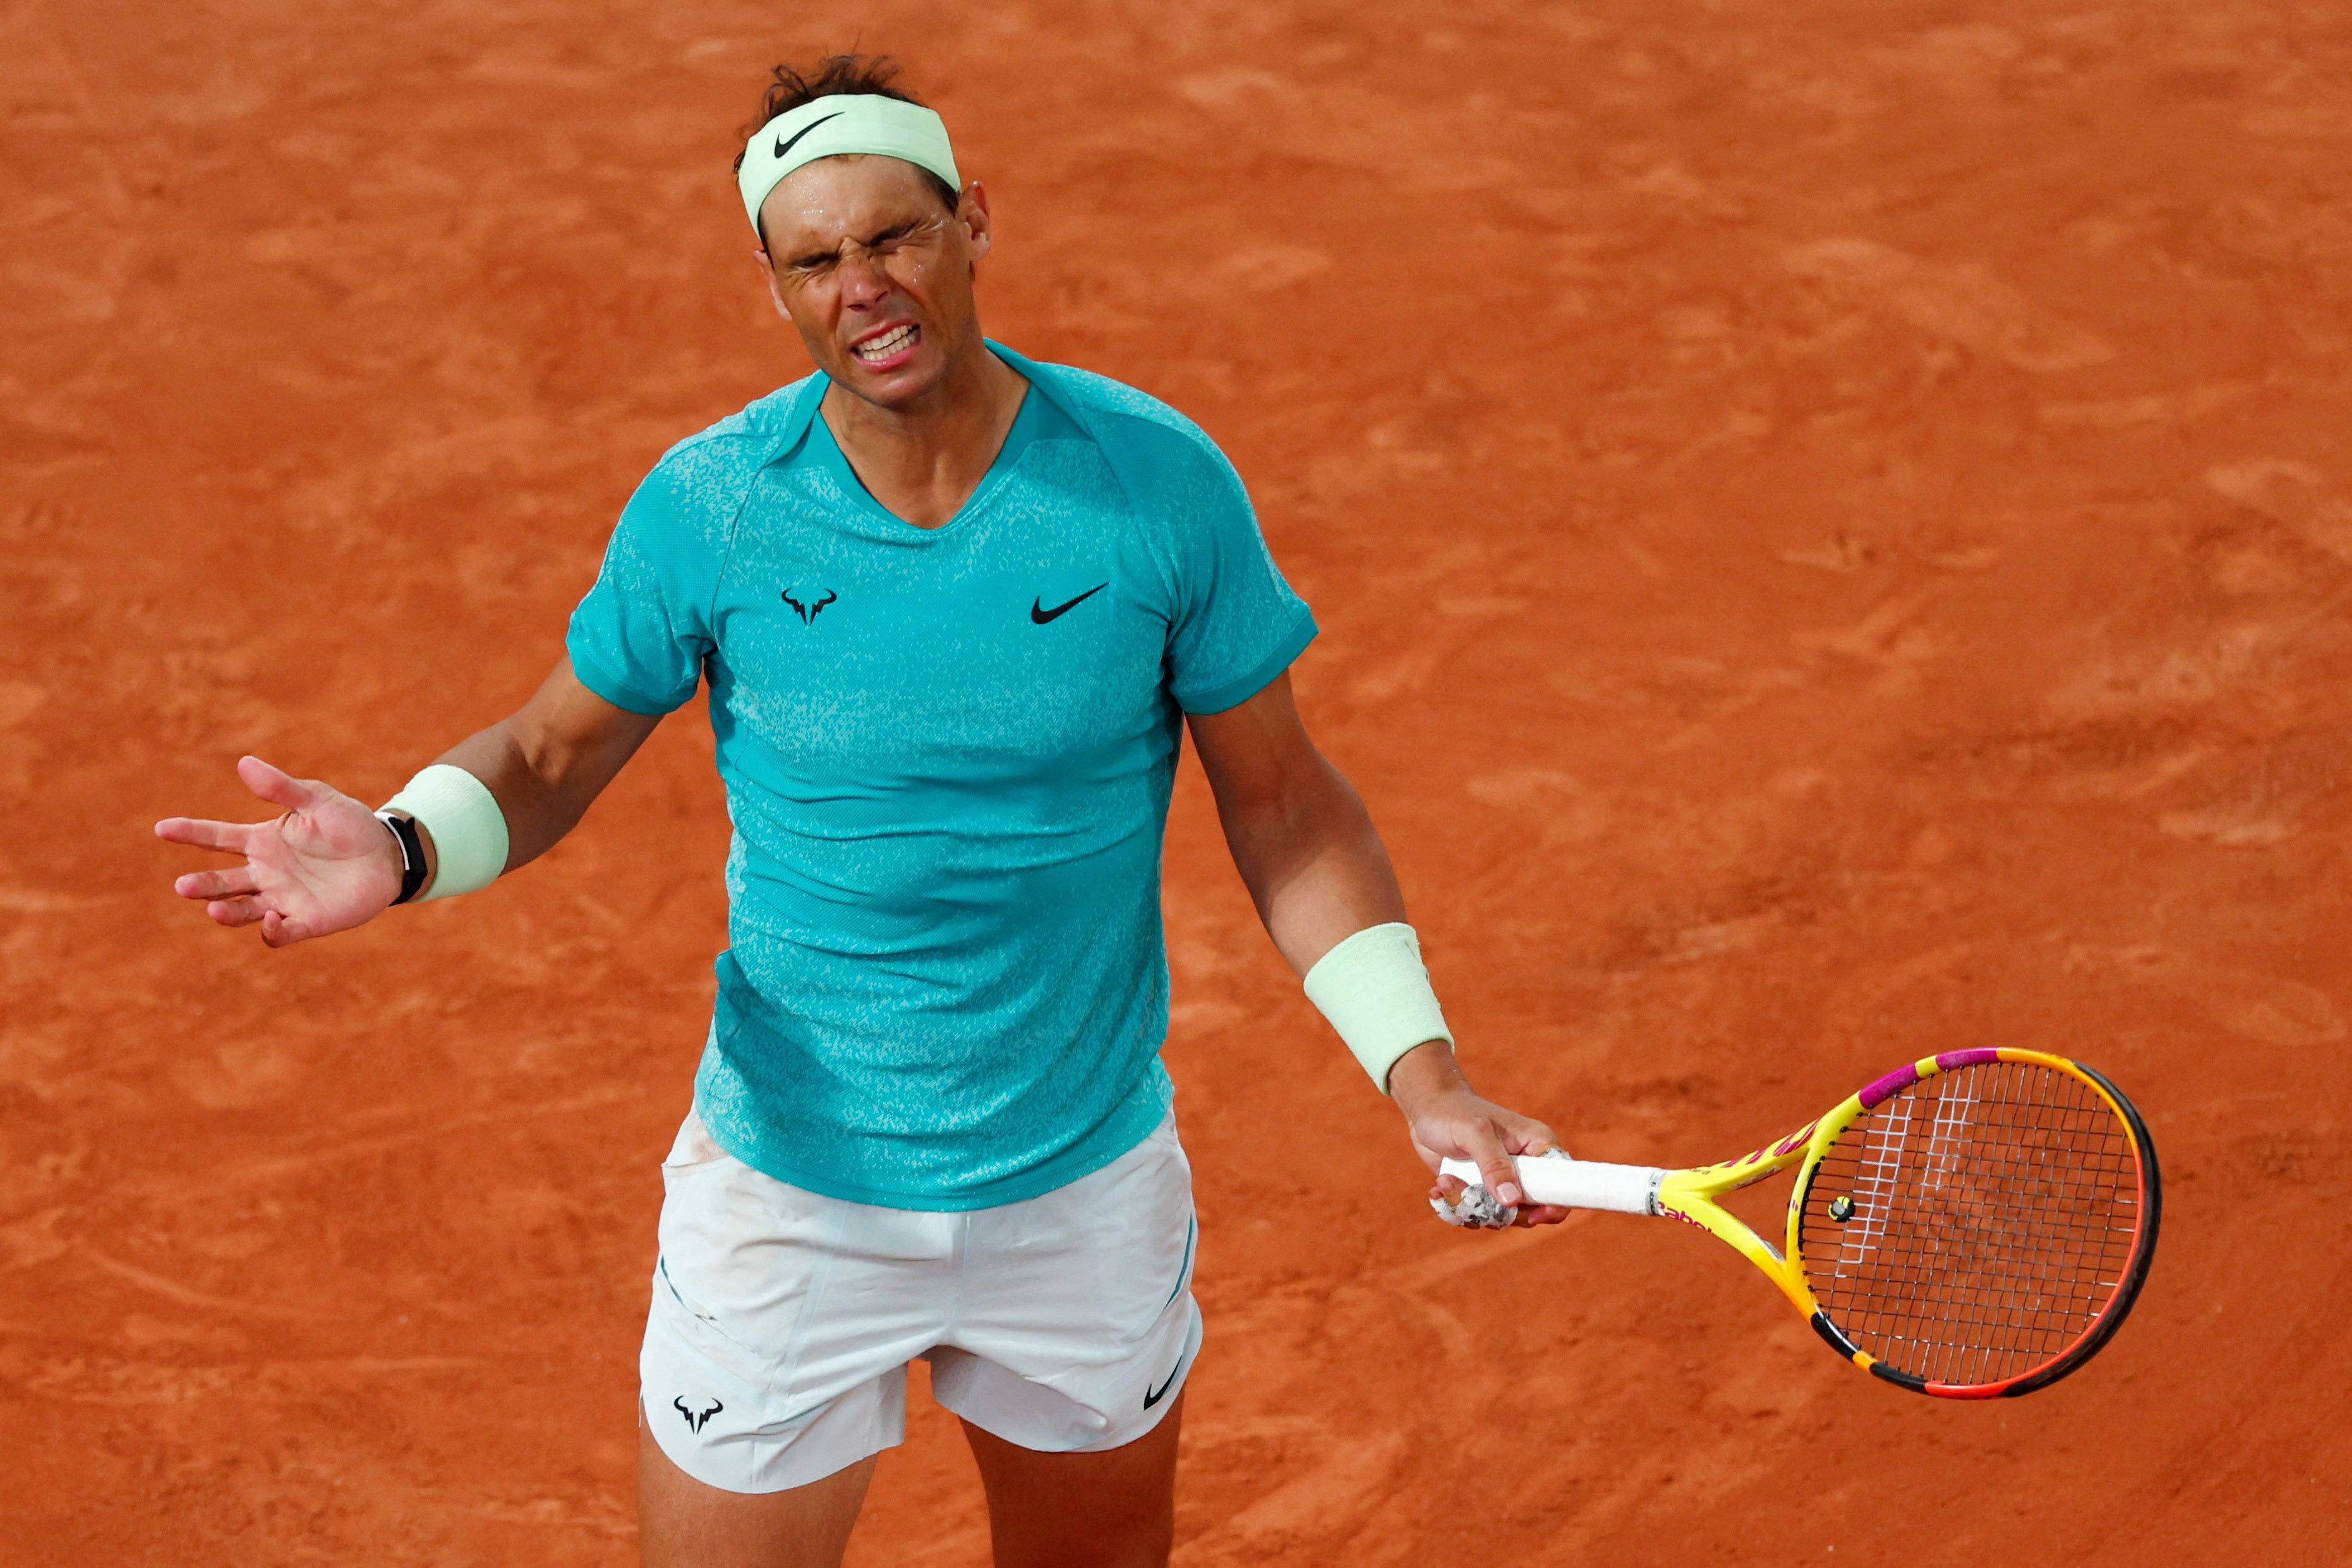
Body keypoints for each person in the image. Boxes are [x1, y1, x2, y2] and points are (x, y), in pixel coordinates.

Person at [155, 54, 1567, 1568]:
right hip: (788, 1193)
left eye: (894, 236)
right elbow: (554, 754)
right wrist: (406, 843)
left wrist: (1419, 1072)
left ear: (972, 222)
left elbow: (1283, 806)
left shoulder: (1152, 488)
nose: (864, 287)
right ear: (775, 287)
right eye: (815, 258)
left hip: (1079, 1190)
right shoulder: (715, 506)